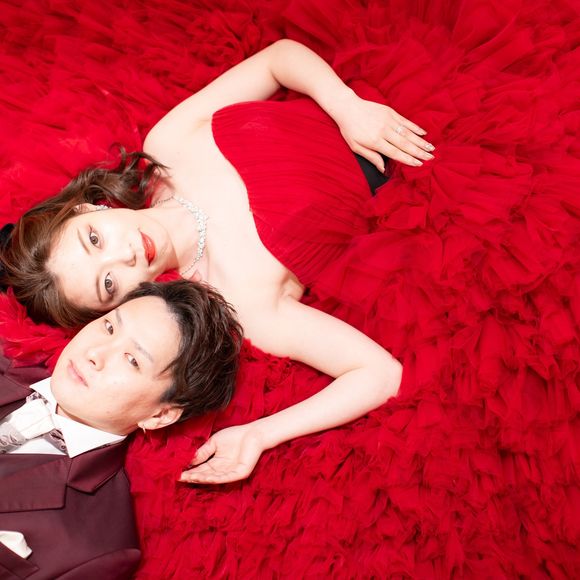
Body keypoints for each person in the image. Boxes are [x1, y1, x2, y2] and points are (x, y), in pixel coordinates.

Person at [0, 39, 428, 484]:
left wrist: (347, 106)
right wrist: (260, 434)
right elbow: (379, 374)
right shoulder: (243, 301)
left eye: (94, 239)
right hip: (411, 167)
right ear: (120, 303)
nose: (124, 254)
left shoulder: (167, 143)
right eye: (108, 283)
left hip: (362, 89)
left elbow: (277, 60)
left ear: (90, 208)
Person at [0, 280, 241, 579]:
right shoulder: (4, 346)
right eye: (109, 327)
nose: (95, 354)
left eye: (132, 360)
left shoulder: (95, 548)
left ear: (160, 415)